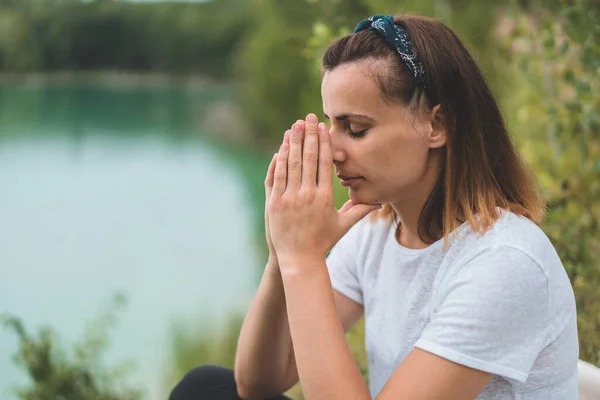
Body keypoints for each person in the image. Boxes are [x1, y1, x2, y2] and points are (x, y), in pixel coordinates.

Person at [169, 14, 579, 400]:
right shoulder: (379, 231)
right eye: (332, 125)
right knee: (207, 387)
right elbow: (259, 381)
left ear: (438, 125)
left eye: (356, 129)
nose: (333, 151)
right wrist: (282, 255)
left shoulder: (506, 263)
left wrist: (305, 260)